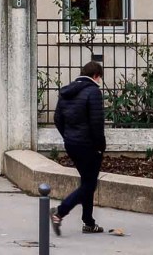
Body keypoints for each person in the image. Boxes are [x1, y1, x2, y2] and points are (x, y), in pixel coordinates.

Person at [50, 60, 106, 236]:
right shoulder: (93, 92)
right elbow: (97, 123)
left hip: (71, 144)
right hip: (88, 145)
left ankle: (88, 222)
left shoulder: (67, 91)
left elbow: (57, 119)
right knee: (89, 184)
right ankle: (59, 212)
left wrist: (68, 136)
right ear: (96, 76)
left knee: (87, 181)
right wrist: (100, 146)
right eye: (100, 78)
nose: (99, 81)